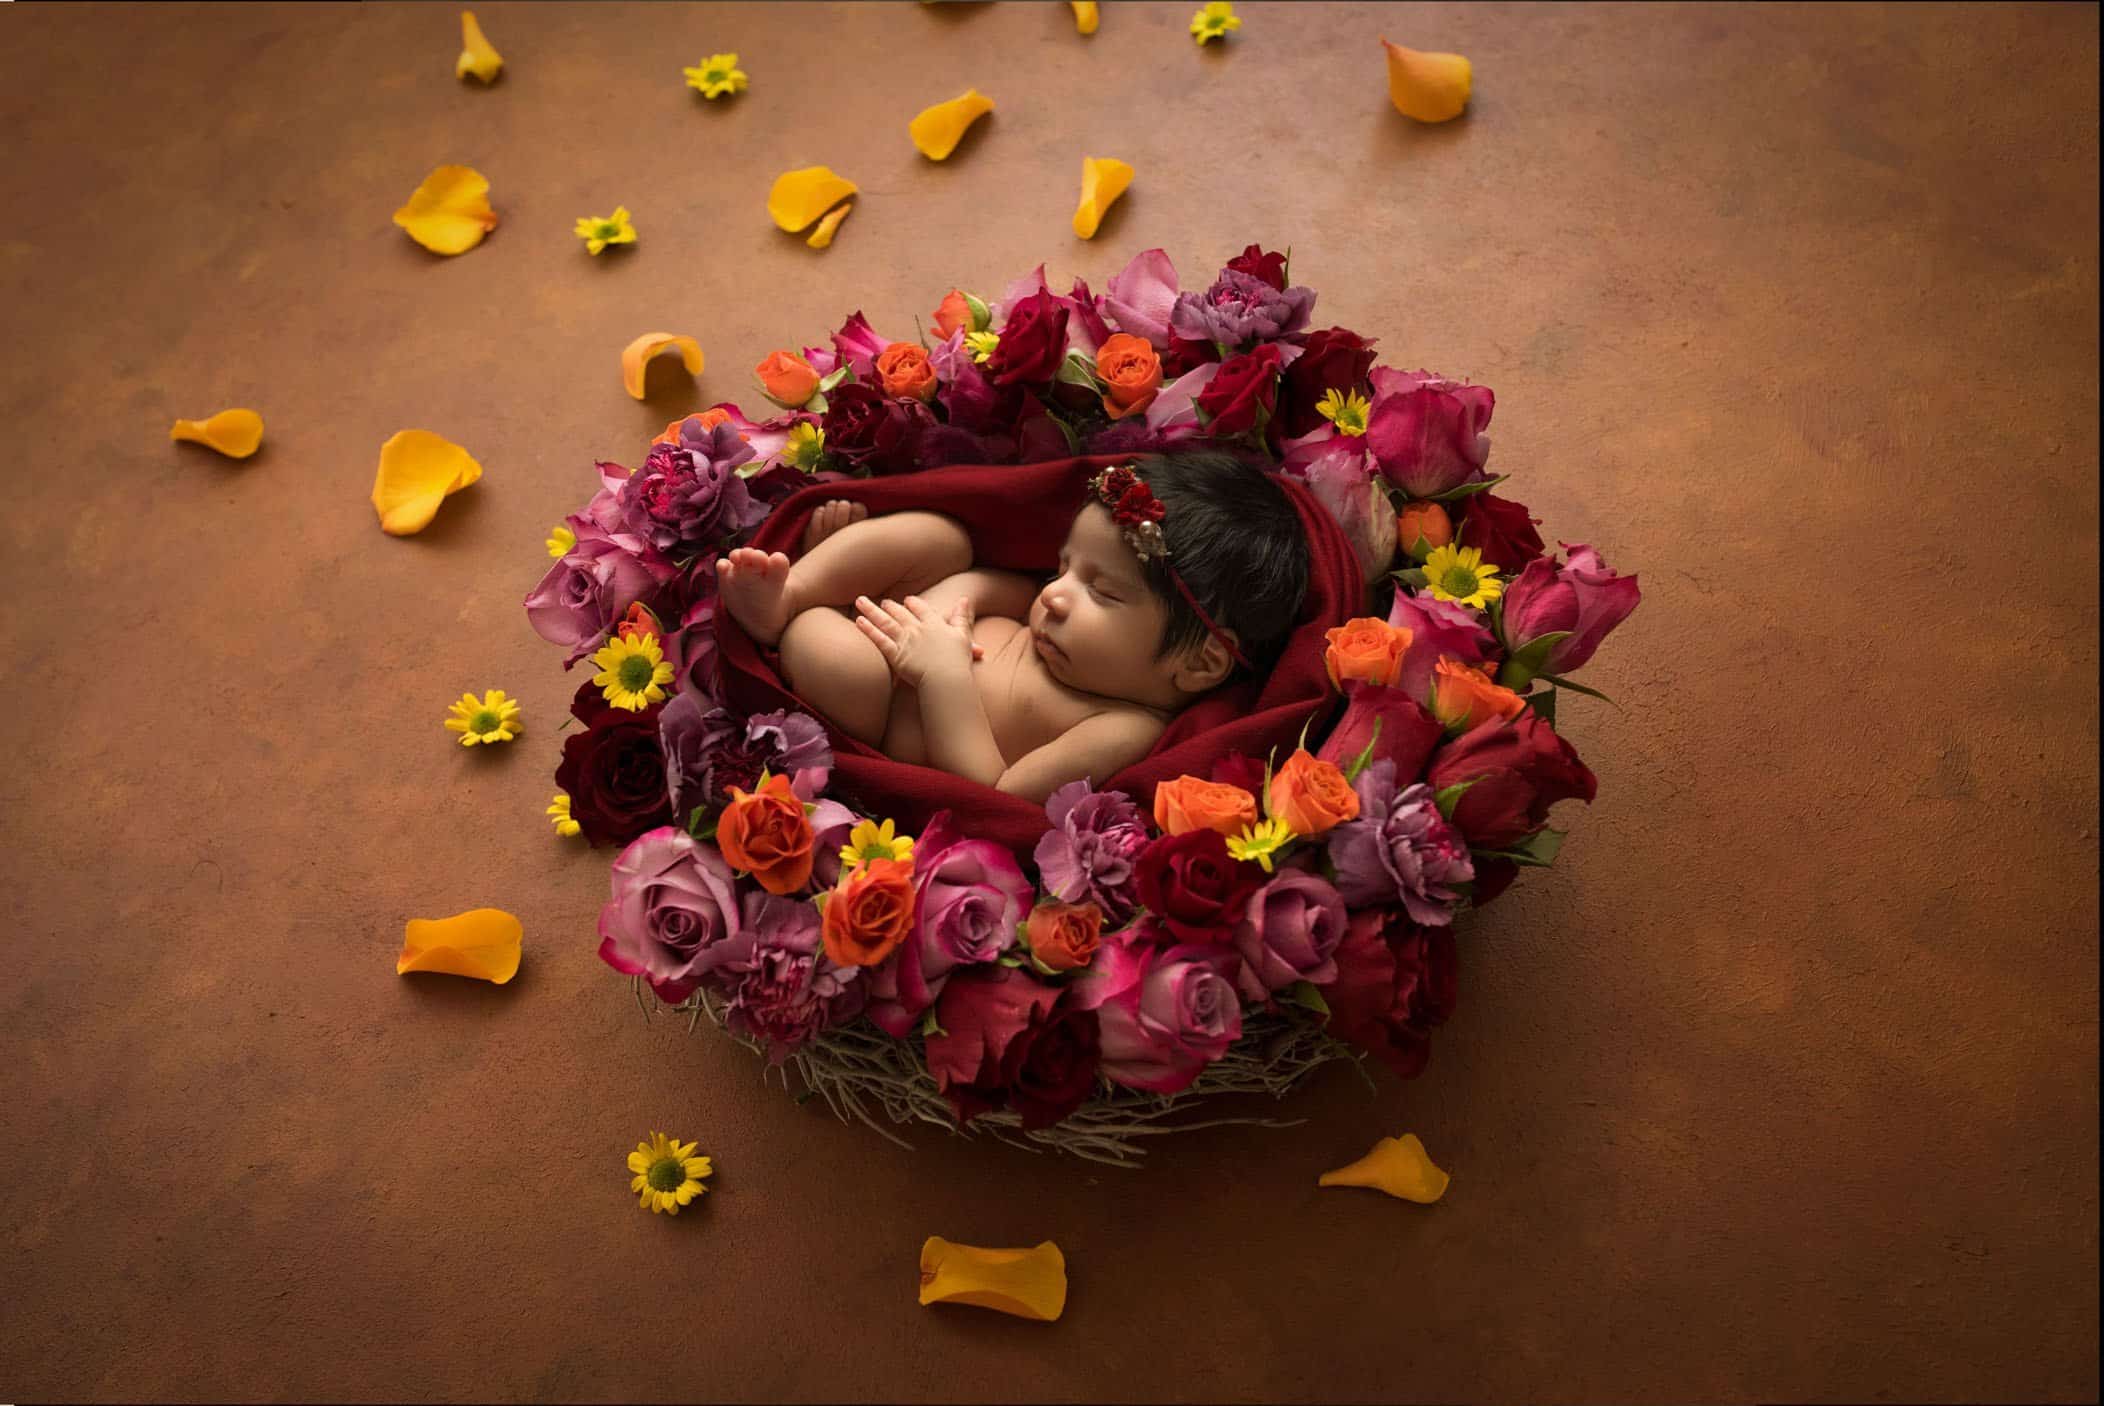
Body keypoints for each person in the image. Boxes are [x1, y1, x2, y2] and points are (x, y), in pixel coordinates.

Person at [715, 450, 1310, 802]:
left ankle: (787, 624)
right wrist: (919, 590)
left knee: (842, 664)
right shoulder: (1046, 611)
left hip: (887, 695)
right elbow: (986, 580)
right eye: (1064, 566)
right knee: (942, 538)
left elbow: (995, 793)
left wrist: (943, 675)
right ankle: (797, 587)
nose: (1054, 594)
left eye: (1100, 590)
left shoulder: (1121, 727)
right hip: (911, 614)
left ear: (1200, 662)